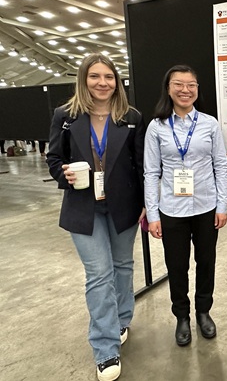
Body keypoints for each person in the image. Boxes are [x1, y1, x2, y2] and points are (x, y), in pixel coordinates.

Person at [46, 53, 145, 381]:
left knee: (123, 266)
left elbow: (142, 164)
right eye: (94, 76)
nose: (102, 83)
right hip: (83, 207)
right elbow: (54, 158)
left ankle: (121, 321)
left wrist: (147, 203)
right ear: (83, 79)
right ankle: (105, 349)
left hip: (123, 206)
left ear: (117, 82)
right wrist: (64, 176)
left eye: (108, 77)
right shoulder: (65, 115)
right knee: (99, 274)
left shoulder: (130, 117)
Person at [144, 64, 227, 347]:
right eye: (179, 84)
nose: (185, 90)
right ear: (168, 88)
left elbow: (221, 165)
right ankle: (182, 316)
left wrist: (222, 205)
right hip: (172, 211)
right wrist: (153, 215)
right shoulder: (156, 127)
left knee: (206, 263)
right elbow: (150, 172)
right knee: (177, 266)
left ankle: (203, 311)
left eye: (191, 84)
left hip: (206, 207)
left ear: (197, 89)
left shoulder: (209, 123)